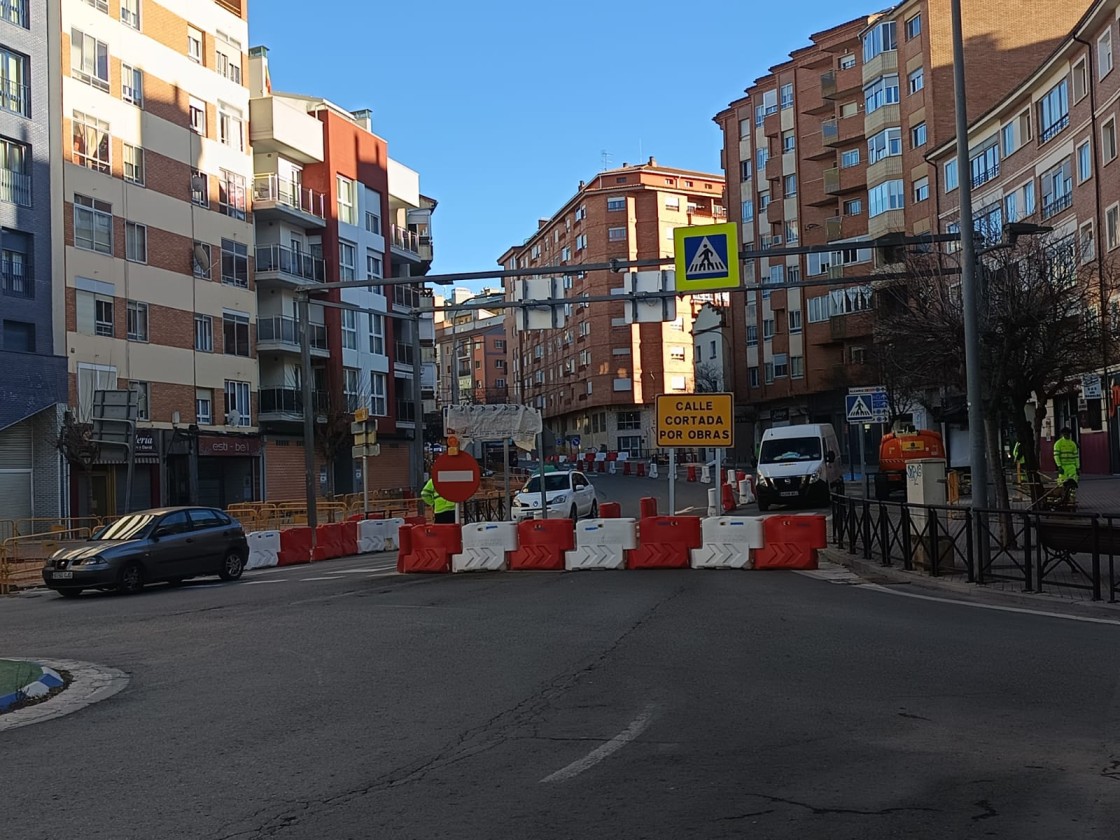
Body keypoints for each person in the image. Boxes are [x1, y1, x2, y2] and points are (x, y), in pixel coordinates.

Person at [1053, 428, 1080, 502]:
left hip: (1072, 467)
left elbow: (1076, 457)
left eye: (1068, 433)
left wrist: (1077, 467)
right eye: (1065, 433)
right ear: (1062, 434)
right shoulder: (1058, 443)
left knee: (1073, 484)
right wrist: (1059, 466)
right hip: (1063, 467)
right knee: (1062, 484)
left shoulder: (1073, 444)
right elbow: (1056, 456)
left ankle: (1072, 500)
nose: (1066, 435)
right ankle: (1063, 498)